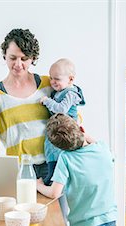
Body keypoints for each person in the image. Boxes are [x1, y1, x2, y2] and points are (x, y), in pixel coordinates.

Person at [36, 113, 117, 226]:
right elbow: (102, 149)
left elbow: (55, 193)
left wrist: (38, 185)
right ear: (82, 129)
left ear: (58, 146)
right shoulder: (102, 148)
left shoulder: (66, 158)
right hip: (110, 222)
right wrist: (83, 134)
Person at [0, 28, 52, 179]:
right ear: (5, 56)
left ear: (32, 58)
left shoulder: (49, 84)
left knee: (57, 204)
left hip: (53, 167)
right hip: (20, 171)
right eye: (13, 58)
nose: (18, 64)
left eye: (24, 58)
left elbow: (70, 116)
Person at [39, 58, 85, 186]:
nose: (52, 82)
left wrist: (47, 101)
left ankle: (54, 176)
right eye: (51, 78)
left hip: (65, 129)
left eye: (57, 79)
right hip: (58, 126)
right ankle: (52, 173)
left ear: (71, 79)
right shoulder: (60, 91)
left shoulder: (70, 93)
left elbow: (62, 109)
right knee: (50, 148)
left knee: (57, 149)